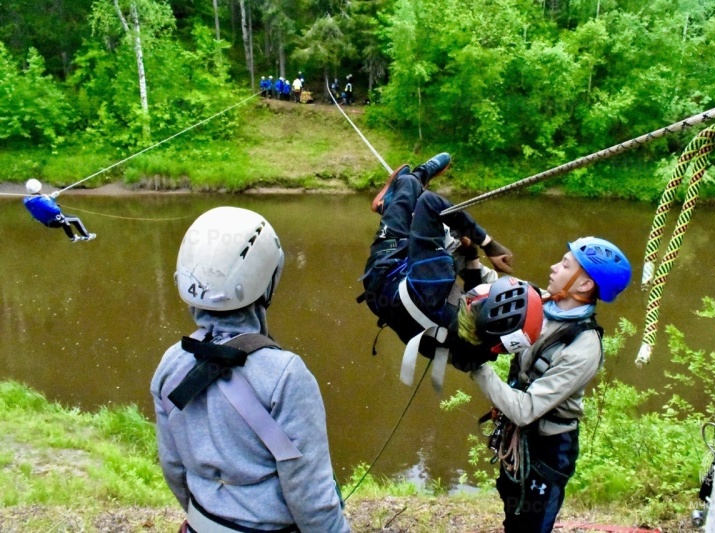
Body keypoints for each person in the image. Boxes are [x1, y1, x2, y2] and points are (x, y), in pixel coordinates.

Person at [151, 207, 349, 533]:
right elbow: (311, 498)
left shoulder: (171, 365)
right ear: (266, 280)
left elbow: (173, 468)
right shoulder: (285, 375)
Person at [471, 237, 632, 532]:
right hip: (518, 437)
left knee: (532, 524)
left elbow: (526, 409)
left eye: (565, 265)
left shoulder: (584, 347)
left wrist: (475, 366)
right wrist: (470, 257)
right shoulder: (543, 303)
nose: (554, 267)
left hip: (548, 450)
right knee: (512, 508)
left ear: (584, 285)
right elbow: (499, 293)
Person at [360, 153, 544, 390]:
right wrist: (472, 255)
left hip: (386, 271)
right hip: (399, 309)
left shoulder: (436, 282)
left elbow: (430, 203)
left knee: (410, 186)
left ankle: (404, 189)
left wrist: (487, 243)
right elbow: (472, 293)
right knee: (446, 235)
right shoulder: (482, 351)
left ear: (478, 302)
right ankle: (396, 204)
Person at [22, 179, 95, 242]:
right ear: (38, 188)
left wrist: (51, 197)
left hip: (47, 221)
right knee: (75, 219)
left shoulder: (27, 200)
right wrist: (50, 199)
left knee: (65, 220)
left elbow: (41, 205)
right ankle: (86, 236)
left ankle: (72, 237)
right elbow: (56, 210)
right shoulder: (41, 200)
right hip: (53, 221)